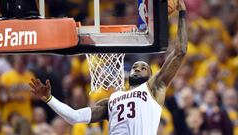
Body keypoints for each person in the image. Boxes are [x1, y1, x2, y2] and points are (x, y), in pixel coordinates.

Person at [29, 0, 188, 134]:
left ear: (150, 74)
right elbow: (75, 117)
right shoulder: (112, 100)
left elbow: (180, 52)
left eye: (143, 67)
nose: (137, 68)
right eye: (135, 66)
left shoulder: (153, 88)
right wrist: (49, 99)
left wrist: (182, 15)